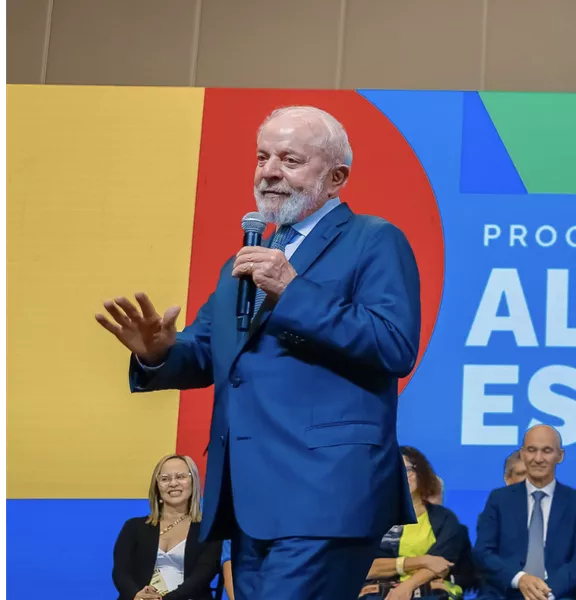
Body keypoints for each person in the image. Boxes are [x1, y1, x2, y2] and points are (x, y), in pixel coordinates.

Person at [95, 106, 422, 600]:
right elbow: (206, 350)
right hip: (248, 501)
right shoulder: (246, 259)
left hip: (326, 493)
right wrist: (158, 354)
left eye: (289, 159)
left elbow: (393, 345)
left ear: (336, 178)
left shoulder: (373, 240)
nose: (269, 171)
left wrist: (294, 293)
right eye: (262, 156)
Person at [475, 425, 576, 600]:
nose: (538, 458)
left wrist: (546, 591)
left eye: (546, 451)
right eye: (532, 450)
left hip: (558, 593)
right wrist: (520, 579)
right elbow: (482, 552)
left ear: (560, 456)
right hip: (507, 591)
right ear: (523, 454)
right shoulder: (499, 499)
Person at [361, 446, 474, 600]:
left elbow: (441, 565)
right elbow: (364, 568)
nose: (402, 476)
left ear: (420, 473)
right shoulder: (371, 518)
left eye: (407, 469)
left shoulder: (444, 518)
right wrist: (422, 560)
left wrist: (407, 586)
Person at [112, 455, 223, 600]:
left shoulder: (209, 528)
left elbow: (204, 574)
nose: (173, 483)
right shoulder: (133, 527)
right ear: (157, 486)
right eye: (165, 478)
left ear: (193, 481)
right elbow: (120, 572)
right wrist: (136, 595)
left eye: (181, 476)